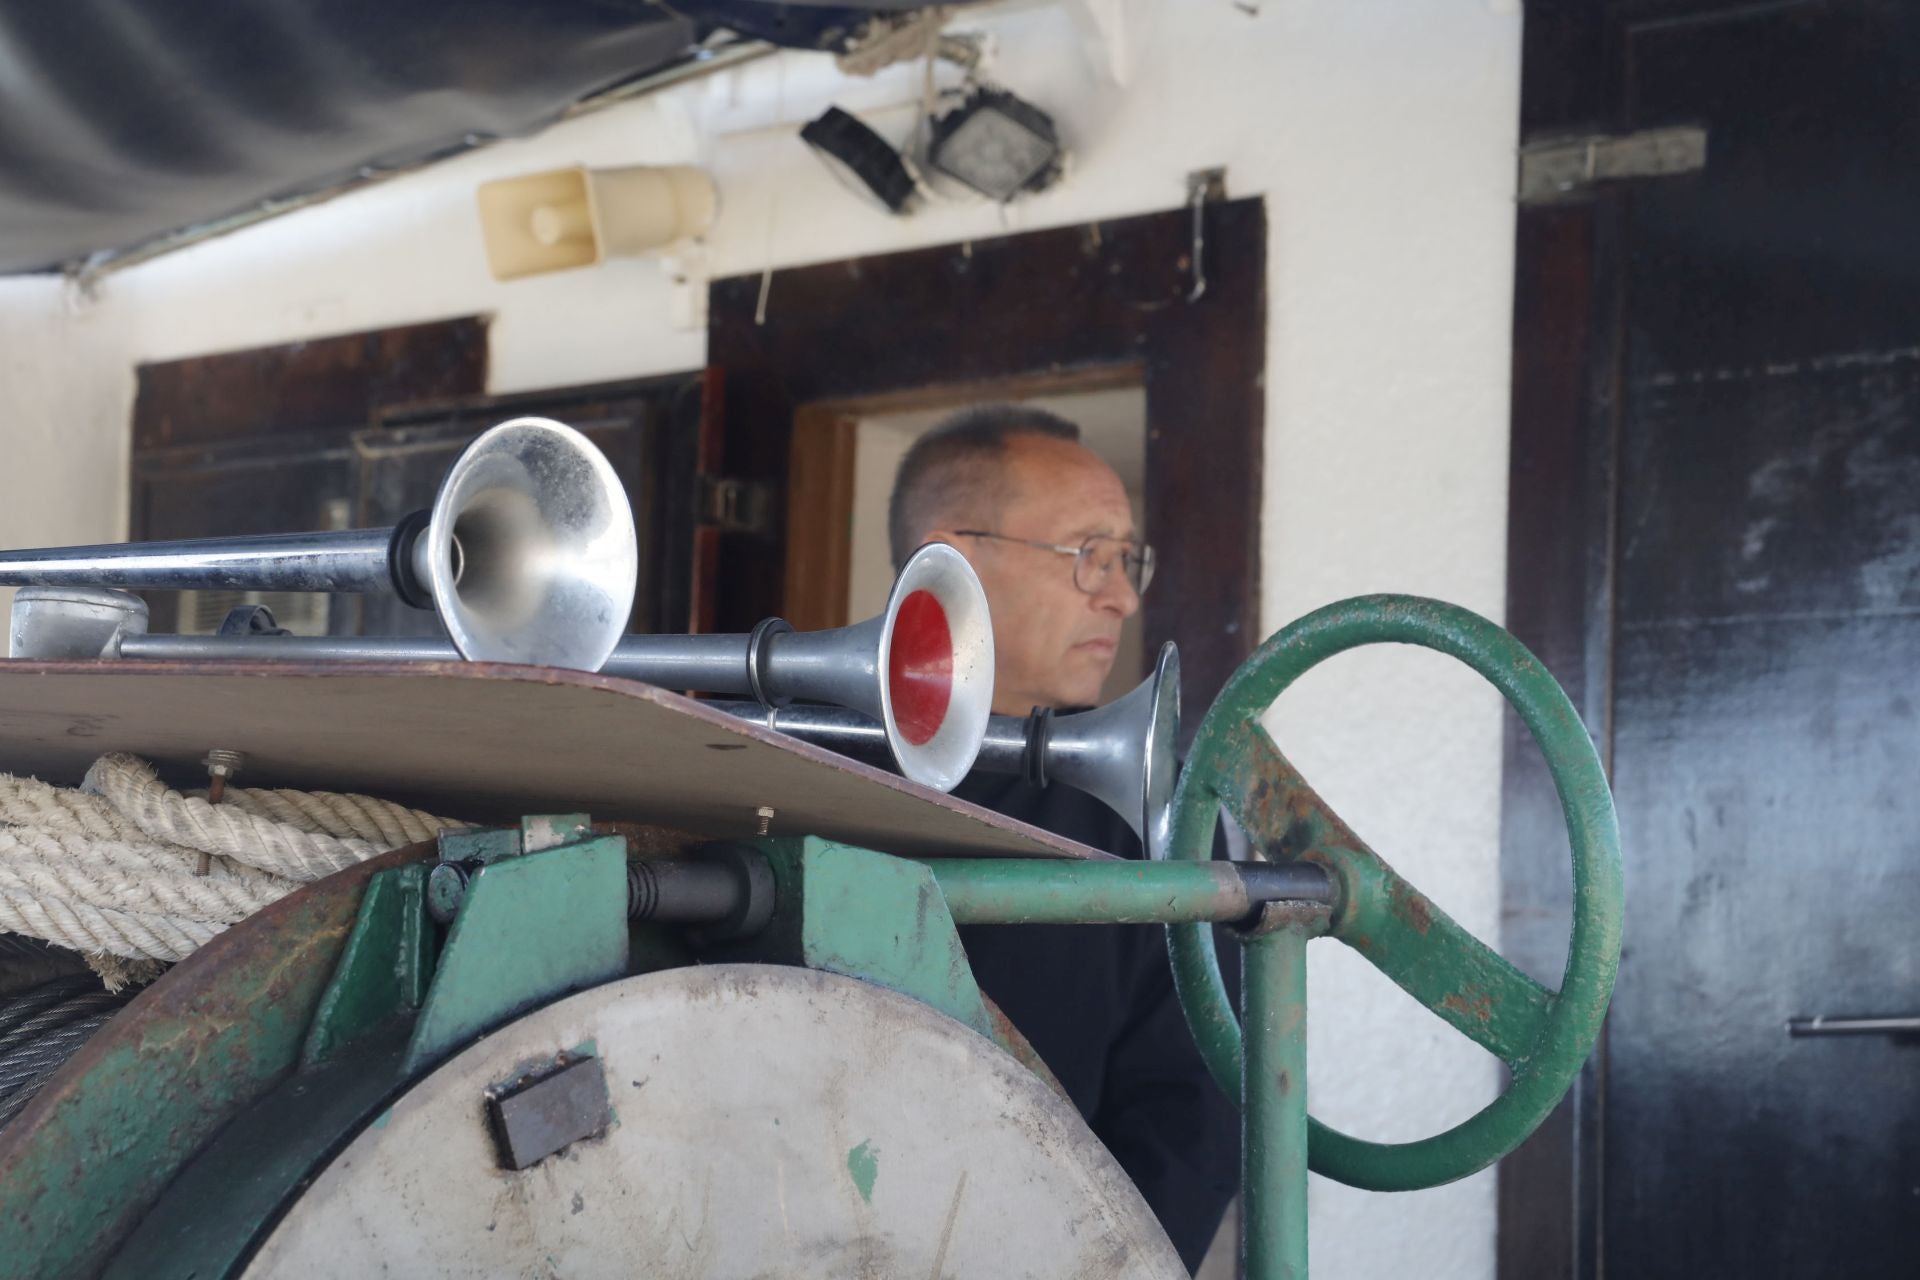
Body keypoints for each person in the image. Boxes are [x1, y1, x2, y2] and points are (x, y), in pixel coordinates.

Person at [887, 404, 1238, 1272]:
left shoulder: (1154, 818)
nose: (1118, 595)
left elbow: (1189, 1115)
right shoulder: (772, 766)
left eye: (1126, 560)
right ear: (955, 560)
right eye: (1087, 554)